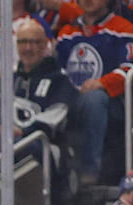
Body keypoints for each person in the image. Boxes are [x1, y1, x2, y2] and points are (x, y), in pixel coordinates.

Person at [0, 17, 76, 205]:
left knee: (33, 145)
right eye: (23, 42)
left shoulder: (59, 81)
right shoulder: (7, 80)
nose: (28, 48)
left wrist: (19, 133)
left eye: (34, 42)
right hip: (5, 142)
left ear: (46, 44)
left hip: (43, 147)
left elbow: (54, 120)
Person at [54, 0, 133, 184]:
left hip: (113, 102)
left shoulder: (124, 29)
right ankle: (59, 176)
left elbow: (129, 68)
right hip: (72, 99)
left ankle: (90, 172)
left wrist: (103, 83)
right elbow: (58, 71)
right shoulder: (67, 33)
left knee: (94, 100)